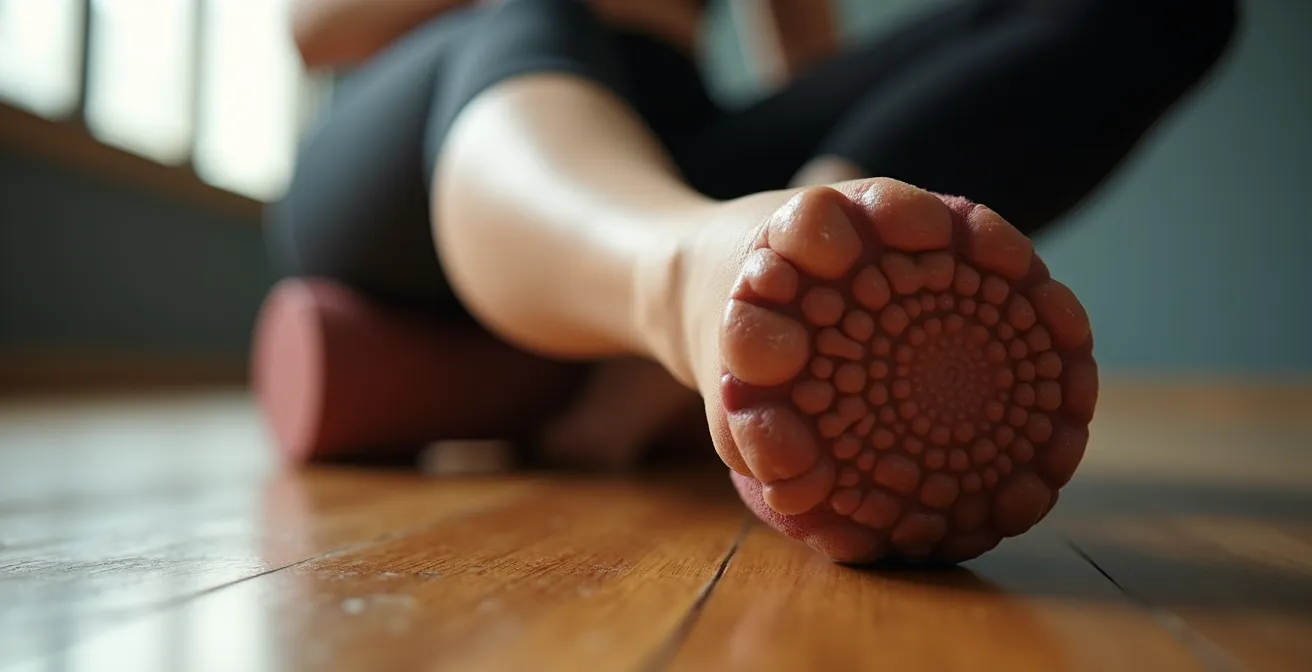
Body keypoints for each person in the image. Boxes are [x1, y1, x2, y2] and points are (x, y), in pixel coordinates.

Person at [252, 0, 1238, 564]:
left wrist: (840, 193)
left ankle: (767, 268)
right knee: (539, 8)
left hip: (678, 136)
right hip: (428, 130)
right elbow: (315, 26)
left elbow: (805, 58)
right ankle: (686, 287)